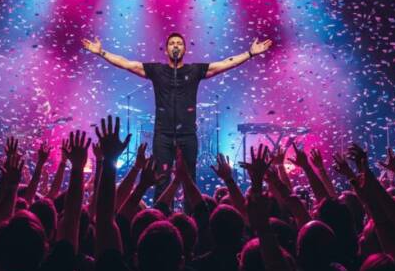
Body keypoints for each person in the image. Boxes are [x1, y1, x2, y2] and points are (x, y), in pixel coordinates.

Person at [81, 32, 273, 197]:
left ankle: (191, 220)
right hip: (162, 135)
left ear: (184, 50)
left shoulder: (195, 70)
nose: (175, 46)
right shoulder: (157, 70)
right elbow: (127, 64)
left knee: (190, 180)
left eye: (179, 43)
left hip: (188, 135)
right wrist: (101, 52)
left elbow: (223, 64)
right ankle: (161, 218)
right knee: (161, 179)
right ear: (166, 50)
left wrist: (249, 54)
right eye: (172, 43)